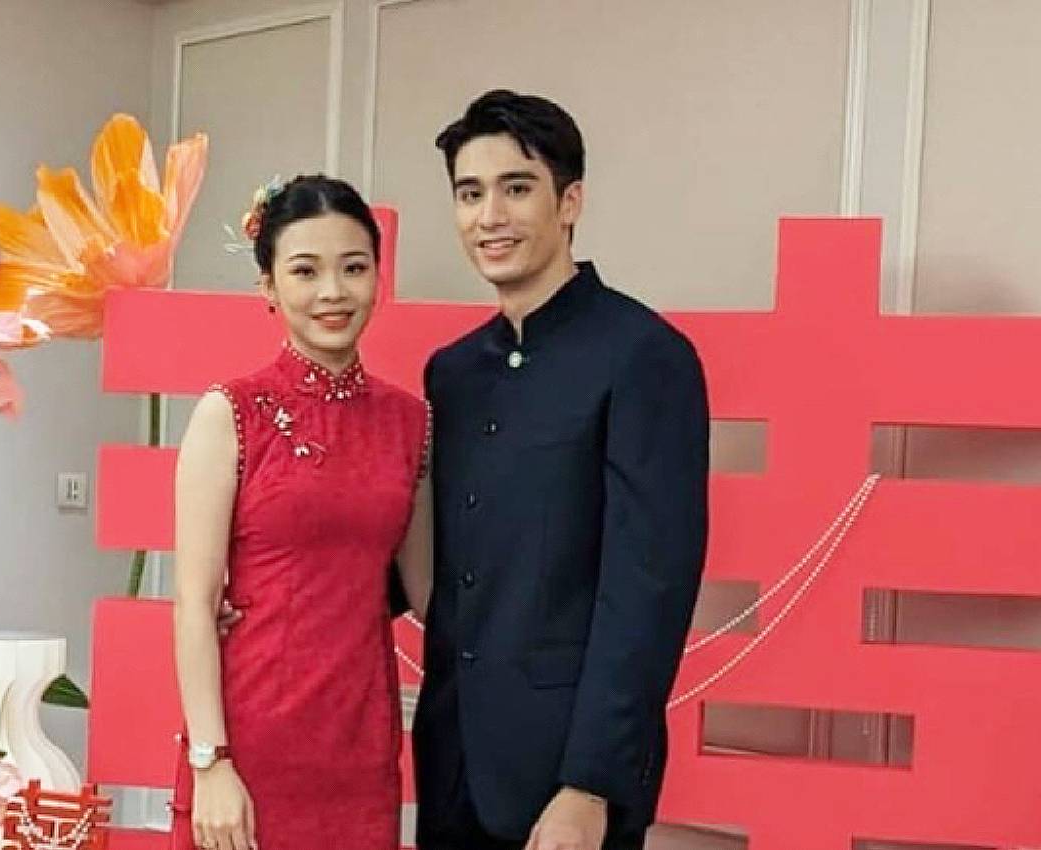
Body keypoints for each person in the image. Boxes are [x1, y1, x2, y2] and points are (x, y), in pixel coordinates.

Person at [413, 89, 710, 850]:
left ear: (569, 201)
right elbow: (443, 561)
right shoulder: (453, 372)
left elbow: (648, 590)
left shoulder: (644, 355)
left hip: (567, 783)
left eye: (516, 189)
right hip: (452, 762)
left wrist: (592, 783)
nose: (490, 217)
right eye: (470, 194)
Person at [170, 175, 433, 850]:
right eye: (305, 271)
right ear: (268, 286)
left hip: (360, 743)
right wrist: (211, 762)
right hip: (246, 743)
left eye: (354, 268)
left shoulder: (410, 422)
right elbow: (195, 605)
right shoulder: (229, 414)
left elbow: (429, 593)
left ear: (378, 276)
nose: (332, 292)